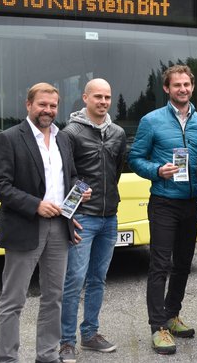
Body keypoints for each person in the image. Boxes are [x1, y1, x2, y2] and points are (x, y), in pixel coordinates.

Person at [0, 83, 89, 363]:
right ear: (28, 104)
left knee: (53, 297)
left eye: (53, 105)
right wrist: (35, 205)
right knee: (13, 300)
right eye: (42, 104)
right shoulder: (8, 138)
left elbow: (70, 176)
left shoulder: (63, 139)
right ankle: (6, 358)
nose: (48, 110)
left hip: (59, 227)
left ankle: (47, 355)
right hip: (25, 226)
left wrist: (80, 191)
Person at [128, 65, 197, 355]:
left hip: (190, 202)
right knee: (160, 265)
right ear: (166, 88)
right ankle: (157, 326)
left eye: (187, 85)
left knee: (184, 264)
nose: (183, 89)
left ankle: (173, 315)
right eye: (177, 85)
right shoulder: (151, 121)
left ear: (192, 87)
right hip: (163, 201)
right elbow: (135, 158)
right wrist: (156, 170)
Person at [59, 79, 127, 362]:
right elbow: (63, 173)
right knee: (74, 279)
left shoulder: (118, 132)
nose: (103, 101)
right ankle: (66, 341)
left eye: (108, 97)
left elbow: (117, 171)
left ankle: (90, 334)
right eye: (97, 96)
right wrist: (76, 189)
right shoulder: (70, 132)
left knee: (98, 279)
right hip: (83, 218)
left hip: (109, 217)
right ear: (84, 97)